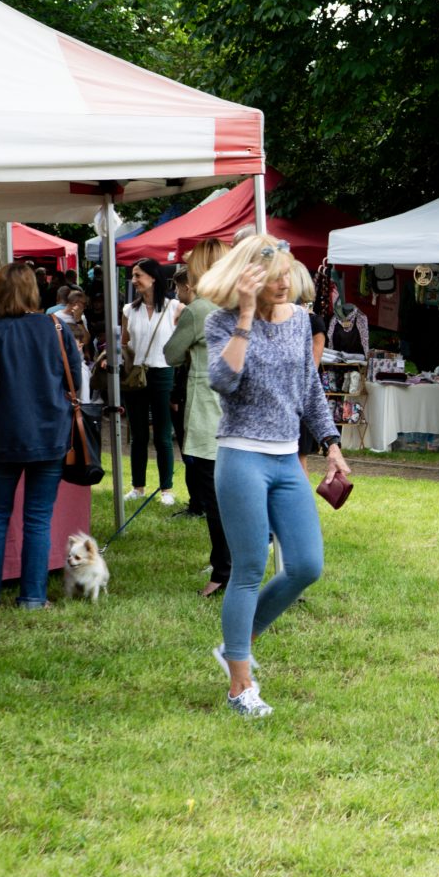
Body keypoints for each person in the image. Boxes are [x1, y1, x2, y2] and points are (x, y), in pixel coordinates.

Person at [197, 232, 350, 718]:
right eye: (276, 278)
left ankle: (236, 644)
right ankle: (240, 685)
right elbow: (224, 381)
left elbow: (309, 390)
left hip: (287, 458)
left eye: (288, 275)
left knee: (306, 565)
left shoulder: (301, 321)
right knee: (247, 570)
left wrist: (331, 443)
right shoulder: (223, 321)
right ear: (250, 278)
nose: (286, 284)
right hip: (242, 455)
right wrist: (245, 317)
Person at [0, 263, 84, 609]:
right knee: (37, 519)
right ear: (33, 290)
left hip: (2, 437)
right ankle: (33, 597)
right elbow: (74, 380)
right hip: (48, 435)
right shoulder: (56, 328)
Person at [167, 239, 235, 596]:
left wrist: (179, 322)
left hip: (210, 417)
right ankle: (234, 566)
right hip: (241, 416)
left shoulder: (199, 310)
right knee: (235, 499)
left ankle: (223, 572)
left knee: (216, 501)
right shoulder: (243, 304)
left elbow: (171, 354)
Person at [121, 259, 183, 506]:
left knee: (163, 435)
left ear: (153, 277)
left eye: (138, 275)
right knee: (137, 434)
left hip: (163, 373)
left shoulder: (175, 307)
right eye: (134, 275)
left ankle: (166, 489)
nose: (134, 280)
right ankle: (138, 486)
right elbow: (124, 342)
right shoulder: (129, 310)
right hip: (136, 375)